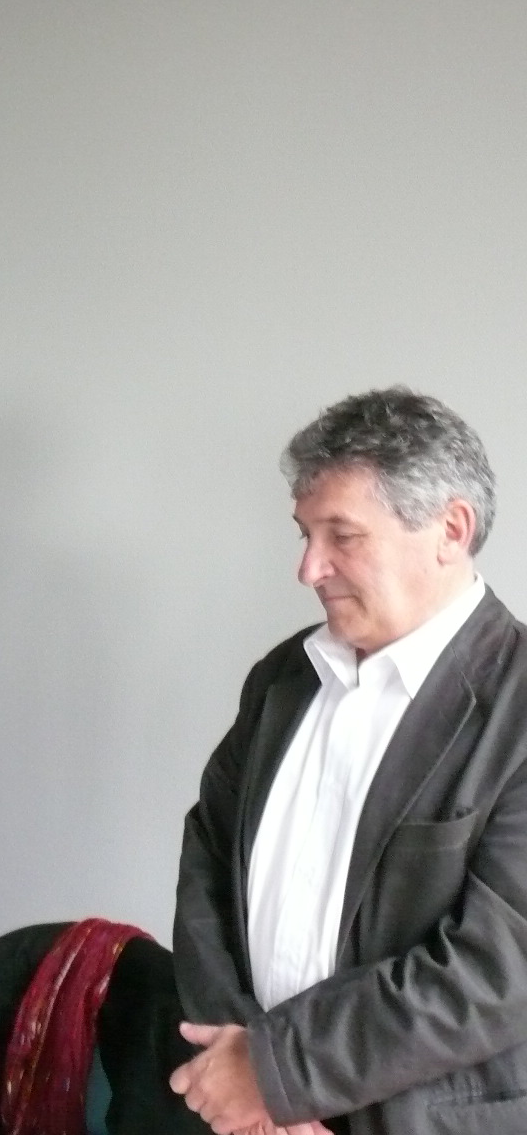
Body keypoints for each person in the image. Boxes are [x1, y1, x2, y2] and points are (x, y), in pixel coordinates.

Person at [172, 387, 527, 1135]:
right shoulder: (282, 679)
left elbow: (499, 970)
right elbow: (206, 860)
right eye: (304, 534)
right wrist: (245, 1079)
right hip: (244, 1113)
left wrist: (277, 1074)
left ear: (450, 529)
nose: (309, 568)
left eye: (342, 535)